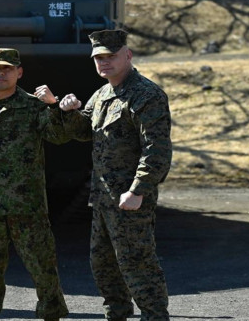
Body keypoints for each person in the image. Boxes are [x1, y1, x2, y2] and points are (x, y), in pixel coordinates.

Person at [53, 29, 172, 321]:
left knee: (137, 263)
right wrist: (69, 111)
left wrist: (139, 190)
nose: (104, 63)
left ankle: (155, 317)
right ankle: (116, 314)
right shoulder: (103, 93)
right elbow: (84, 132)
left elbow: (156, 149)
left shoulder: (146, 94)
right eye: (98, 58)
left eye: (111, 56)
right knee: (103, 264)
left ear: (128, 55)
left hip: (130, 198)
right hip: (104, 198)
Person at [0, 48, 69, 321]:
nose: (1, 74)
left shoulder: (34, 106)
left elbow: (59, 137)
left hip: (28, 206)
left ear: (19, 73)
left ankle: (51, 315)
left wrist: (54, 106)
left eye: (7, 69)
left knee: (43, 268)